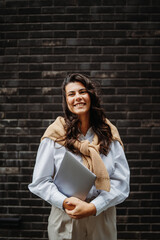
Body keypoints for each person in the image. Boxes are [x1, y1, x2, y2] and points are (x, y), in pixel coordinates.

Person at [28, 73, 130, 240]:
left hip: (101, 217)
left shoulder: (109, 134)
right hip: (66, 216)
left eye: (82, 92)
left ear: (90, 95)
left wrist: (93, 207)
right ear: (66, 101)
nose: (78, 98)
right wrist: (65, 202)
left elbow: (121, 182)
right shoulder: (55, 135)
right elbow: (40, 182)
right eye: (71, 94)